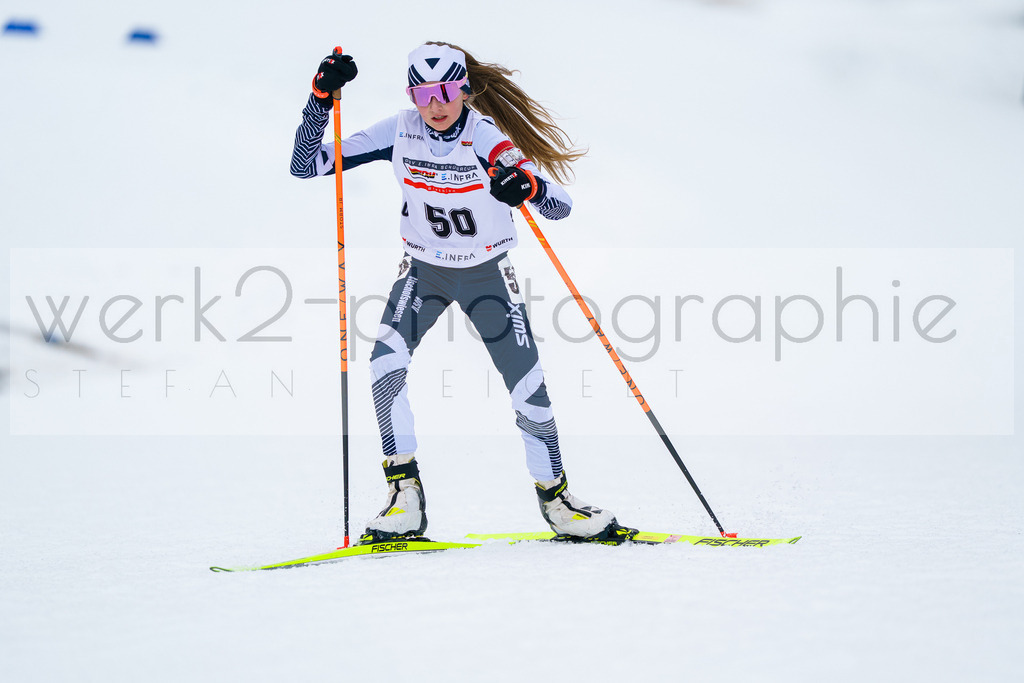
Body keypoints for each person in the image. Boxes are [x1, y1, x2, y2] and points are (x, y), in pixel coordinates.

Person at [290, 42, 634, 543]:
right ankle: (404, 496)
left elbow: (559, 206)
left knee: (527, 385)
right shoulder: (399, 130)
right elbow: (306, 165)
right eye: (423, 94)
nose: (436, 104)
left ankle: (557, 500)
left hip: (486, 276)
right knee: (384, 365)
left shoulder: (485, 137)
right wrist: (320, 100)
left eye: (448, 91)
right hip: (424, 273)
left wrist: (527, 188)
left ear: (466, 90)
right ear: (411, 95)